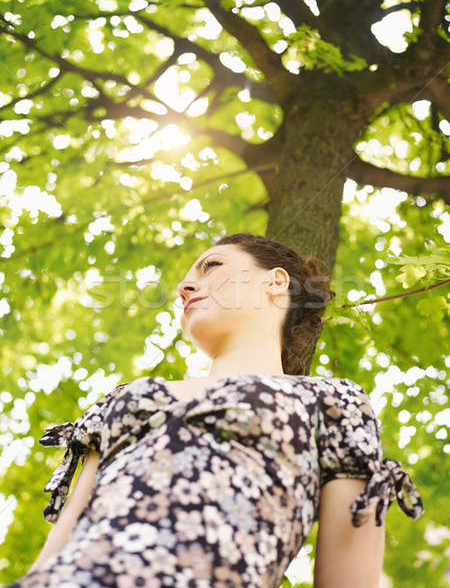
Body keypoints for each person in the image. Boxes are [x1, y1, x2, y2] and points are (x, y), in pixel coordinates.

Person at [9, 233, 423, 588]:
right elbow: (55, 550)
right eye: (186, 280)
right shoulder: (126, 397)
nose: (185, 287)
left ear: (275, 282)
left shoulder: (333, 402)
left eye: (211, 266)